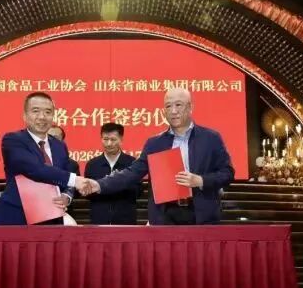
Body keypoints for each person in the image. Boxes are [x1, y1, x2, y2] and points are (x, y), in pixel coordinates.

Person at [80, 88, 234, 225]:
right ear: (163, 111)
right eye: (168, 106)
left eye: (178, 105)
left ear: (190, 107)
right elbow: (132, 173)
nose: (173, 111)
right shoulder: (155, 143)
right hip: (166, 216)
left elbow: (227, 173)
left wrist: (201, 180)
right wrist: (99, 184)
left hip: (201, 214)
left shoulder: (211, 138)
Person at [0, 92, 89, 225]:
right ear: (25, 115)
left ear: (53, 116)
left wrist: (66, 196)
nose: (42, 117)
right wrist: (75, 180)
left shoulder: (60, 146)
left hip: (52, 219)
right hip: (16, 219)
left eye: (48, 112)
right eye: (35, 111)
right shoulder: (13, 140)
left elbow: (66, 176)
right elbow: (35, 169)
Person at [84, 122, 141, 225]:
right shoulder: (92, 164)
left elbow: (138, 191)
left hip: (125, 220)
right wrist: (102, 185)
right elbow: (88, 194)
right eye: (105, 139)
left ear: (121, 140)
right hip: (99, 220)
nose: (109, 144)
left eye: (113, 139)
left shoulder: (132, 163)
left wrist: (117, 182)